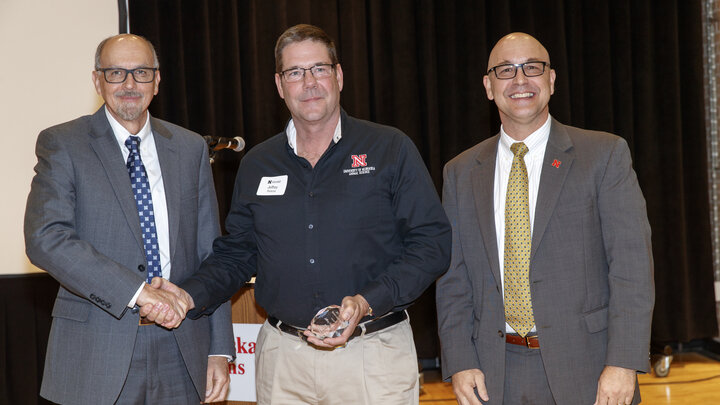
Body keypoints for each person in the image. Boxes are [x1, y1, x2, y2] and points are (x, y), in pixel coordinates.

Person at [147, 23, 451, 404]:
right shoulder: (258, 163)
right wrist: (187, 295)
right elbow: (237, 254)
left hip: (372, 356)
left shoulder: (389, 148)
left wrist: (367, 300)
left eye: (319, 69)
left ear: (338, 75)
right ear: (279, 85)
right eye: (295, 73)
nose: (309, 83)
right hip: (283, 362)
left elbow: (432, 243)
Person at [435, 32, 654, 405]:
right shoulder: (460, 172)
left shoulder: (603, 155)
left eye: (532, 68)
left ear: (551, 80)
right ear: (489, 87)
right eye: (506, 70)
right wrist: (459, 360)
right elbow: (453, 279)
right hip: (491, 373)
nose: (520, 81)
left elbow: (631, 267)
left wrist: (623, 362)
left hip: (589, 369)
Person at [24, 34, 234, 405]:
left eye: (140, 72)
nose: (129, 84)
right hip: (96, 350)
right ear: (97, 80)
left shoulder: (190, 148)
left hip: (182, 349)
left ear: (157, 79)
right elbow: (46, 237)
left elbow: (210, 253)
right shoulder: (64, 143)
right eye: (116, 73)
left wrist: (218, 349)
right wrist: (138, 292)